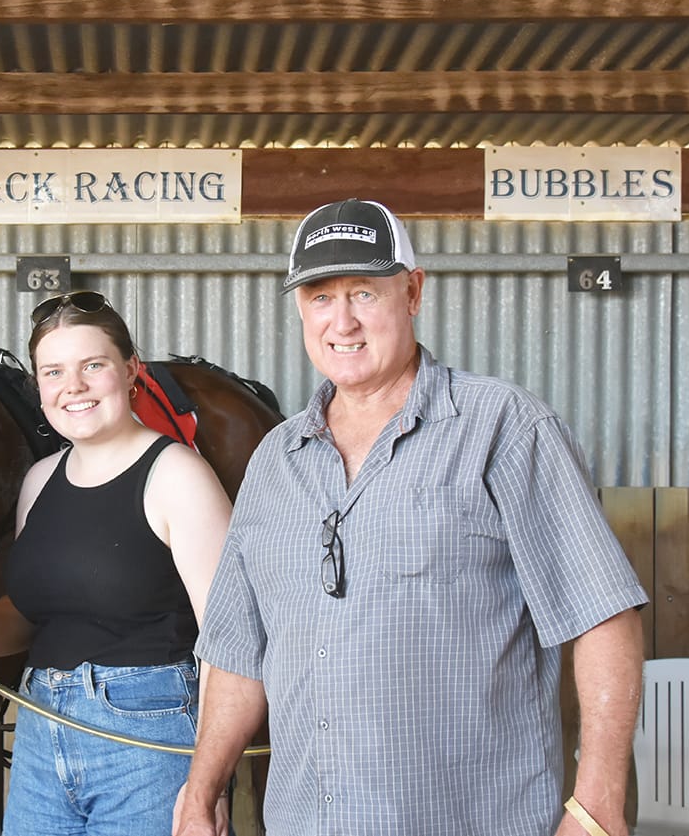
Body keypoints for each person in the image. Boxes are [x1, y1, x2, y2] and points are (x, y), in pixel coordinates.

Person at [173, 199, 648, 836]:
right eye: (319, 296)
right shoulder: (274, 462)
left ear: (413, 292)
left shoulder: (504, 428)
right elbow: (237, 653)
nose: (341, 320)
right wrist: (202, 791)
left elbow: (602, 615)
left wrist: (596, 808)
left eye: (364, 292)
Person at [0, 290, 233, 836]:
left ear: (131, 371)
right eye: (53, 371)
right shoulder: (39, 481)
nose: (72, 386)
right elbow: (34, 612)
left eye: (93, 365)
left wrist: (210, 784)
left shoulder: (178, 477)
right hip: (41, 726)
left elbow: (230, 645)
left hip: (149, 738)